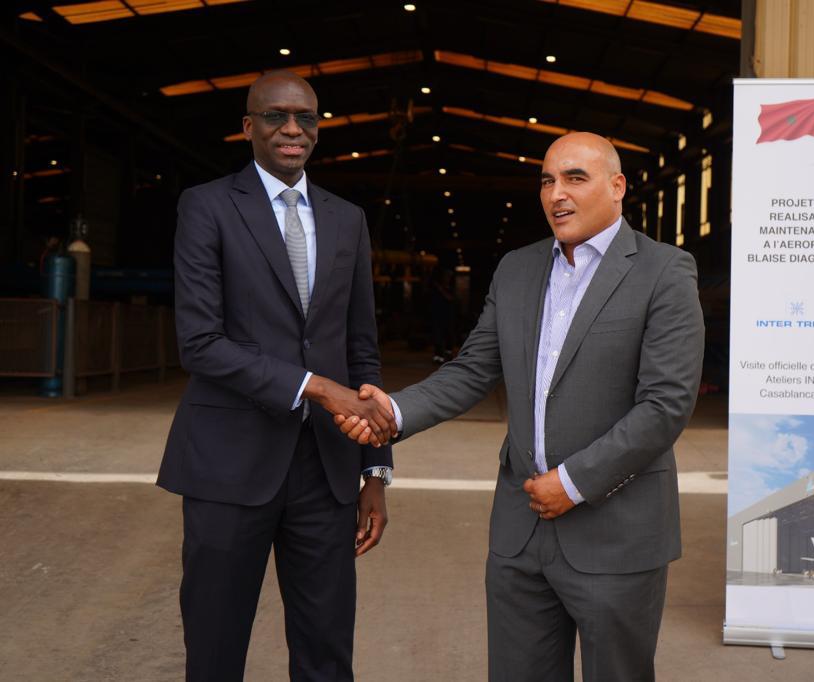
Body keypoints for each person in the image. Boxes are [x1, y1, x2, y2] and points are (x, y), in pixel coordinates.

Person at [340, 132, 704, 681]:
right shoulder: (517, 268)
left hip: (617, 532)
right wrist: (391, 410)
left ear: (617, 187)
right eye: (547, 181)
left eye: (575, 178)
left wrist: (573, 483)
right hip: (520, 530)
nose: (557, 194)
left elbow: (665, 405)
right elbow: (473, 369)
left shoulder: (663, 270)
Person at [158, 71, 397, 681]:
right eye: (276, 116)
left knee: (326, 653)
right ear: (248, 126)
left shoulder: (348, 219)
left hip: (326, 469)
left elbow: (361, 351)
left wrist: (375, 470)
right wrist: (315, 386)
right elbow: (201, 343)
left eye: (306, 118)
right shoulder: (207, 206)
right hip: (228, 463)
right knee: (215, 649)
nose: (293, 129)